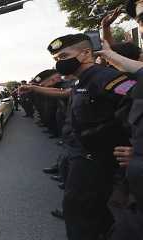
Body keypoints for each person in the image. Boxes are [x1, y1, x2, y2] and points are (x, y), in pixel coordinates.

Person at [20, 33, 137, 239]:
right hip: (82, 156)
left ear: (85, 53)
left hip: (99, 162)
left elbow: (137, 107)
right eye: (56, 60)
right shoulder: (82, 80)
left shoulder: (106, 78)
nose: (59, 63)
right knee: (87, 212)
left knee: (81, 215)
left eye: (64, 56)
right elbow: (65, 94)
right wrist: (34, 88)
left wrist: (137, 151)